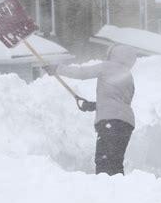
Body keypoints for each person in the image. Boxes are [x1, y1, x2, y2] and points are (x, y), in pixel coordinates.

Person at [44, 45, 138, 176]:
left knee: (103, 162)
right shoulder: (128, 76)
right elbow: (119, 101)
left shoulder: (107, 66)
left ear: (114, 55)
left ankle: (104, 191)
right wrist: (93, 106)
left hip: (110, 123)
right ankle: (118, 191)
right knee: (115, 162)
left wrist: (58, 69)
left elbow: (82, 73)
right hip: (126, 124)